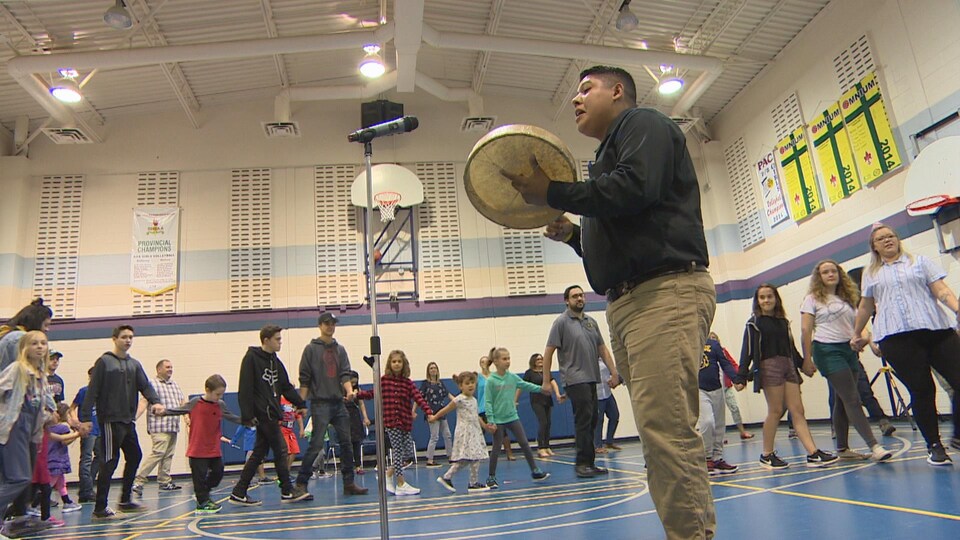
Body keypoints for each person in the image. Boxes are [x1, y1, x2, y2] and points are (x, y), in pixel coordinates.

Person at [504, 65, 716, 539]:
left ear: (618, 91)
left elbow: (634, 189)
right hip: (632, 301)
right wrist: (577, 237)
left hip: (664, 294)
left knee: (667, 435)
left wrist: (554, 192)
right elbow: (627, 224)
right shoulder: (605, 161)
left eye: (586, 89)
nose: (576, 100)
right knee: (660, 437)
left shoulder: (643, 124)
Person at [852, 224, 960, 465]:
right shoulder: (871, 273)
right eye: (881, 238)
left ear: (897, 239)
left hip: (936, 330)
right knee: (923, 391)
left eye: (891, 236)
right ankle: (935, 446)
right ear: (875, 246)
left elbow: (941, 290)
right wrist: (857, 333)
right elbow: (866, 306)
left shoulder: (919, 262)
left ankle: (958, 434)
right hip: (896, 338)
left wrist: (957, 308)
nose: (887, 240)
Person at [735, 284, 838, 470]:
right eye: (762, 297)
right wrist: (741, 376)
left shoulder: (783, 322)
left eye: (770, 296)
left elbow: (791, 348)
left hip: (788, 366)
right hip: (769, 366)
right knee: (775, 411)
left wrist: (803, 364)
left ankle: (813, 453)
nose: (766, 300)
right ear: (757, 301)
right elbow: (747, 351)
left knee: (797, 409)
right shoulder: (754, 323)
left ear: (776, 299)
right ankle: (766, 454)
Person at [800, 260, 892, 462]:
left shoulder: (848, 298)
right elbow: (806, 329)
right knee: (852, 397)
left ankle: (842, 448)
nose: (830, 274)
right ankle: (874, 445)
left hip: (848, 349)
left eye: (834, 271)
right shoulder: (812, 299)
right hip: (826, 350)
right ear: (819, 277)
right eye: (825, 272)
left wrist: (869, 340)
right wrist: (806, 358)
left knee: (842, 401)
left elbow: (858, 324)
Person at [78, 325, 164, 519]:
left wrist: (156, 402)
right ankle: (100, 508)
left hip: (127, 421)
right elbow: (93, 391)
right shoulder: (104, 362)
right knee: (109, 461)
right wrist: (85, 419)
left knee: (135, 455)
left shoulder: (134, 364)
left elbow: (146, 386)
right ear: (114, 339)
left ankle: (125, 500)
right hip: (110, 421)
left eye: (131, 337)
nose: (128, 340)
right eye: (124, 337)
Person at [229, 325, 311, 506]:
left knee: (259, 453)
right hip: (262, 413)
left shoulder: (275, 361)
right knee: (281, 449)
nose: (280, 342)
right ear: (266, 340)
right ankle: (287, 490)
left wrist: (300, 403)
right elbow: (245, 388)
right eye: (277, 339)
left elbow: (286, 386)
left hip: (273, 412)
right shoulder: (251, 358)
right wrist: (247, 415)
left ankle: (239, 491)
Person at [543, 285, 620, 477]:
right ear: (567, 301)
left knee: (592, 419)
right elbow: (549, 352)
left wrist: (614, 373)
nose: (579, 298)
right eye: (575, 296)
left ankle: (589, 463)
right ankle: (581, 464)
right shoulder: (560, 322)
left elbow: (602, 349)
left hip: (592, 378)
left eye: (581, 295)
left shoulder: (591, 322)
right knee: (584, 420)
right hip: (575, 379)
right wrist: (546, 380)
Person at [294, 312, 368, 497]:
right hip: (320, 403)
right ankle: (301, 483)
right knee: (316, 443)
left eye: (333, 323)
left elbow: (345, 374)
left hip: (338, 402)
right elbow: (305, 379)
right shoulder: (310, 349)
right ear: (320, 325)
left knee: (347, 443)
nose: (330, 326)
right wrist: (301, 403)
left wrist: (349, 391)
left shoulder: (340, 350)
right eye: (327, 323)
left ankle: (349, 482)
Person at [0, 331, 56, 539]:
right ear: (25, 347)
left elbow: (42, 404)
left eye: (43, 343)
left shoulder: (40, 376)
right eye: (34, 343)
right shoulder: (17, 369)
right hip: (13, 427)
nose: (40, 347)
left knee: (13, 478)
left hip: (30, 431)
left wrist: (50, 414)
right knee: (19, 478)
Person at [161, 374, 242, 515]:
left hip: (213, 449)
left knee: (218, 472)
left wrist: (247, 421)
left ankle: (205, 492)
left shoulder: (220, 405)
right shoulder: (195, 403)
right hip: (197, 449)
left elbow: (231, 417)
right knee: (199, 477)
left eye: (221, 395)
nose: (219, 397)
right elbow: (179, 410)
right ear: (207, 390)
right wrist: (164, 412)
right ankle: (202, 502)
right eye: (217, 394)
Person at [485, 347, 551, 489]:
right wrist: (491, 420)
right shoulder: (491, 381)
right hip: (498, 420)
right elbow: (488, 402)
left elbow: (525, 385)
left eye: (509, 358)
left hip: (512, 416)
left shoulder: (512, 377)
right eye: (504, 359)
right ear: (496, 361)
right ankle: (491, 477)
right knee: (496, 447)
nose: (507, 361)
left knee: (524, 443)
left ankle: (535, 470)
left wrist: (541, 389)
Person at [372, 350, 434, 496]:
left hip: (405, 421)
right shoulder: (384, 381)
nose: (397, 364)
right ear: (390, 364)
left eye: (399, 361)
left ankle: (388, 473)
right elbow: (373, 393)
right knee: (398, 451)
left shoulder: (408, 383)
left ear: (404, 364)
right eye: (394, 361)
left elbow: (418, 398)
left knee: (408, 452)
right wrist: (357, 395)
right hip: (391, 421)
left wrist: (428, 411)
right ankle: (400, 483)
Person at [430, 371, 495, 493]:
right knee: (474, 457)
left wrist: (485, 427)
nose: (470, 385)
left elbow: (476, 416)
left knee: (467, 459)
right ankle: (472, 483)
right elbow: (445, 409)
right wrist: (434, 417)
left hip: (475, 431)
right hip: (465, 432)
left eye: (472, 383)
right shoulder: (459, 399)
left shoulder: (474, 400)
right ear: (460, 386)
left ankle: (447, 477)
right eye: (467, 383)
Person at [134, 359, 186, 495]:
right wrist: (134, 418)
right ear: (159, 369)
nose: (170, 369)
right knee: (158, 453)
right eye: (167, 367)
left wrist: (187, 417)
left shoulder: (175, 384)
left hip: (173, 426)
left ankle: (164, 481)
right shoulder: (152, 384)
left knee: (168, 455)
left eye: (171, 367)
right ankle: (138, 481)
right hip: (159, 426)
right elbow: (144, 402)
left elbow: (182, 402)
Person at [699, 335, 741, 475]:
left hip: (716, 389)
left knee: (719, 425)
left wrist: (736, 379)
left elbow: (725, 363)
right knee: (707, 421)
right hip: (699, 390)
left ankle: (717, 458)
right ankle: (706, 457)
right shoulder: (688, 344)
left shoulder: (713, 345)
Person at [68, 368, 100, 503]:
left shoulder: (104, 393)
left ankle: (87, 485)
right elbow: (72, 408)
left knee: (101, 457)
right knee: (86, 458)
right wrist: (76, 422)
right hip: (88, 429)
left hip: (100, 429)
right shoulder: (84, 391)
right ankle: (86, 490)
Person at [713, 334, 753, 440]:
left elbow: (732, 364)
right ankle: (718, 436)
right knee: (716, 413)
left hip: (726, 386)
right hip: (715, 388)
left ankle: (742, 431)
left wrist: (739, 378)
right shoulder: (706, 353)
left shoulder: (723, 352)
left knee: (734, 408)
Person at [523, 353, 562, 458]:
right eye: (538, 359)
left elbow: (553, 382)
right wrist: (515, 399)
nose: (540, 360)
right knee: (543, 421)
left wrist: (557, 394)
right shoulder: (529, 373)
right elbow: (521, 386)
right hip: (536, 400)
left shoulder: (546, 371)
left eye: (541, 359)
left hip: (547, 399)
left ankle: (547, 445)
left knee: (548, 422)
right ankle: (541, 447)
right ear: (533, 361)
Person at [45, 403, 81, 515]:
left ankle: (67, 501)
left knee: (61, 482)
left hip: (50, 459)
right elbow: (65, 441)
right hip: (58, 459)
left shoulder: (48, 428)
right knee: (49, 484)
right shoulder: (62, 428)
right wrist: (77, 434)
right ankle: (35, 504)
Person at [477, 355, 514, 460]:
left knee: (502, 431)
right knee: (480, 432)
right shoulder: (477, 377)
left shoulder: (495, 376)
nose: (484, 363)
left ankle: (509, 453)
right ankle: (477, 454)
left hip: (496, 408)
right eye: (482, 362)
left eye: (486, 361)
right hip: (482, 408)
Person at [0, 299, 53, 372]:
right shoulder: (20, 337)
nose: (47, 329)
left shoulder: (10, 334)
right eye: (45, 325)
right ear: (36, 323)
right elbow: (26, 372)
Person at [419, 362, 454, 468]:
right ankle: (430, 459)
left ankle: (451, 457)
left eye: (435, 368)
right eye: (431, 368)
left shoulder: (440, 383)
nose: (433, 370)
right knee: (434, 436)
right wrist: (414, 411)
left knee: (447, 434)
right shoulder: (425, 384)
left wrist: (458, 401)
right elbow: (419, 398)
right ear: (428, 371)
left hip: (441, 411)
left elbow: (448, 394)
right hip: (431, 413)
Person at [344, 370, 370, 475]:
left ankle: (358, 466)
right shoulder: (341, 390)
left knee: (356, 442)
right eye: (352, 382)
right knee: (347, 443)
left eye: (355, 382)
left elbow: (361, 404)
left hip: (355, 416)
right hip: (344, 417)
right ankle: (347, 466)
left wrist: (365, 417)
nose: (354, 384)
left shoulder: (358, 390)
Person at [594, 357, 622, 453]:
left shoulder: (605, 360)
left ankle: (609, 441)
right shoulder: (589, 360)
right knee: (599, 420)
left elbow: (614, 372)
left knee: (615, 415)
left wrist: (615, 379)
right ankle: (597, 445)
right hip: (596, 395)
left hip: (607, 393)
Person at [279, 397, 304, 471]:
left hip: (290, 430)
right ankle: (282, 472)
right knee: (285, 452)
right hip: (282, 429)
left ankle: (287, 470)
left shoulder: (294, 401)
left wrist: (301, 429)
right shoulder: (280, 401)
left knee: (294, 451)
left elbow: (298, 416)